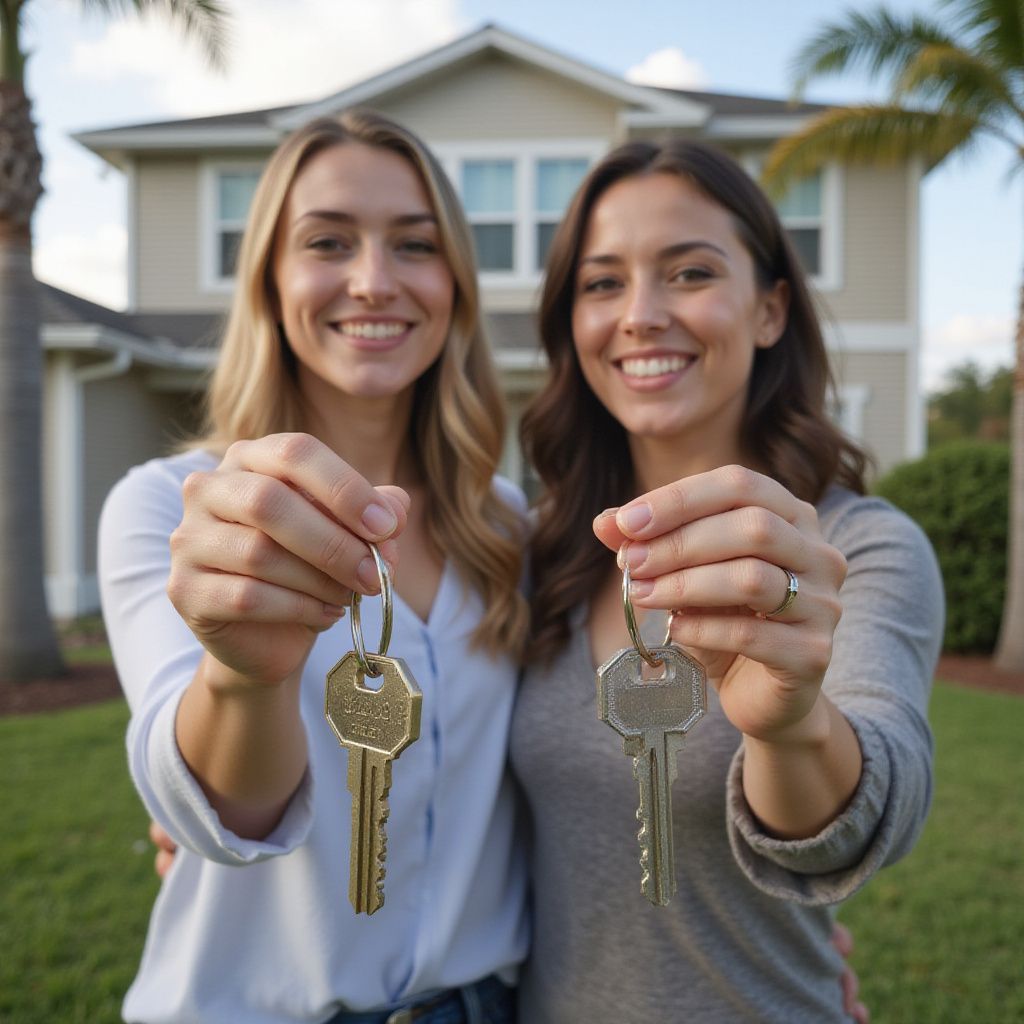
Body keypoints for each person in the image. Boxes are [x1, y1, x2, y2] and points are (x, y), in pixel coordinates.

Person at [99, 110, 529, 1024]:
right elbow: (208, 813)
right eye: (328, 241)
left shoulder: (514, 529)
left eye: (414, 245)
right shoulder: (171, 507)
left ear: (454, 281)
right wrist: (245, 677)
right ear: (270, 277)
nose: (373, 282)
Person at [513, 139, 941, 1022]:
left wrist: (791, 725)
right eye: (601, 283)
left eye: (690, 272)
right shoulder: (538, 549)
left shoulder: (857, 548)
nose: (639, 314)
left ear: (770, 310)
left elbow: (878, 796)